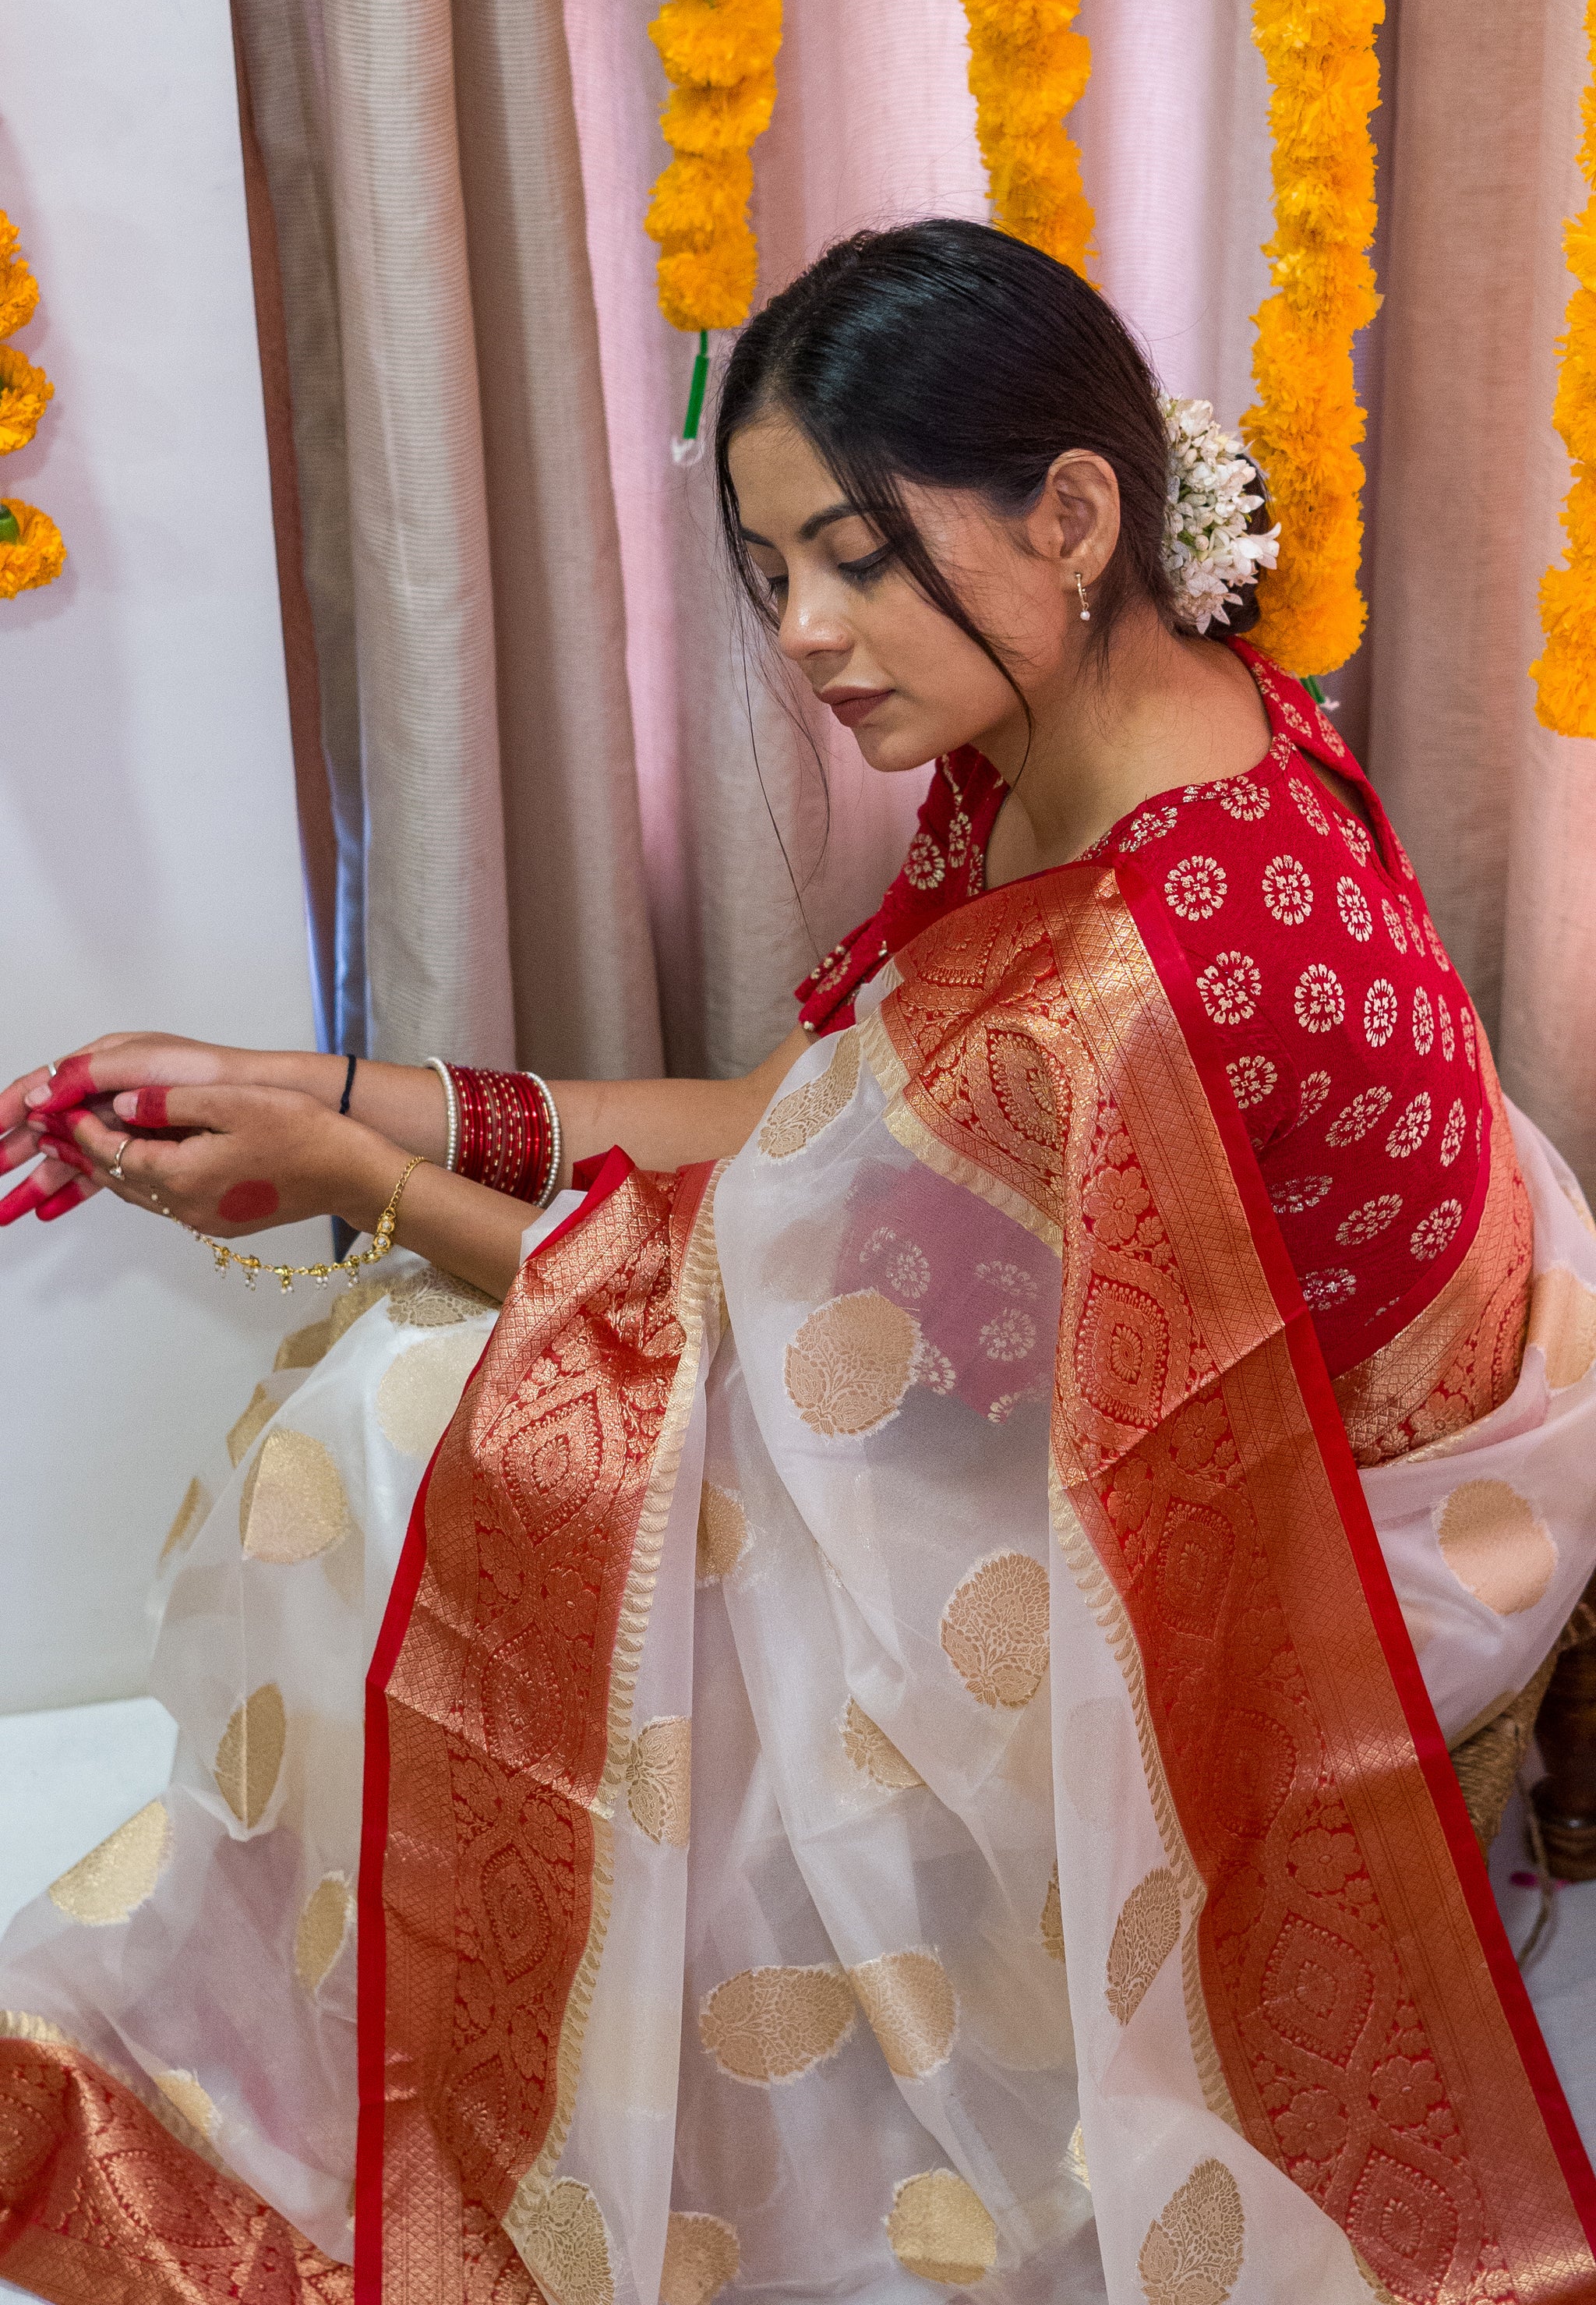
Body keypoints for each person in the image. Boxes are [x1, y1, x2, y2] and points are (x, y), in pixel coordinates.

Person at [2, 219, 1595, 2304]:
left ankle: (504, 2098)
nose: (814, 635)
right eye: (775, 577)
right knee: (444, 1405)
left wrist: (349, 1174)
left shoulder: (1132, 973)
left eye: (855, 556)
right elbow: (803, 1127)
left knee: (395, 1443)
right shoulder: (1122, 725)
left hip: (1319, 1531)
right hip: (1363, 1354)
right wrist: (326, 1087)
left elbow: (742, 1328)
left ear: (1081, 510)